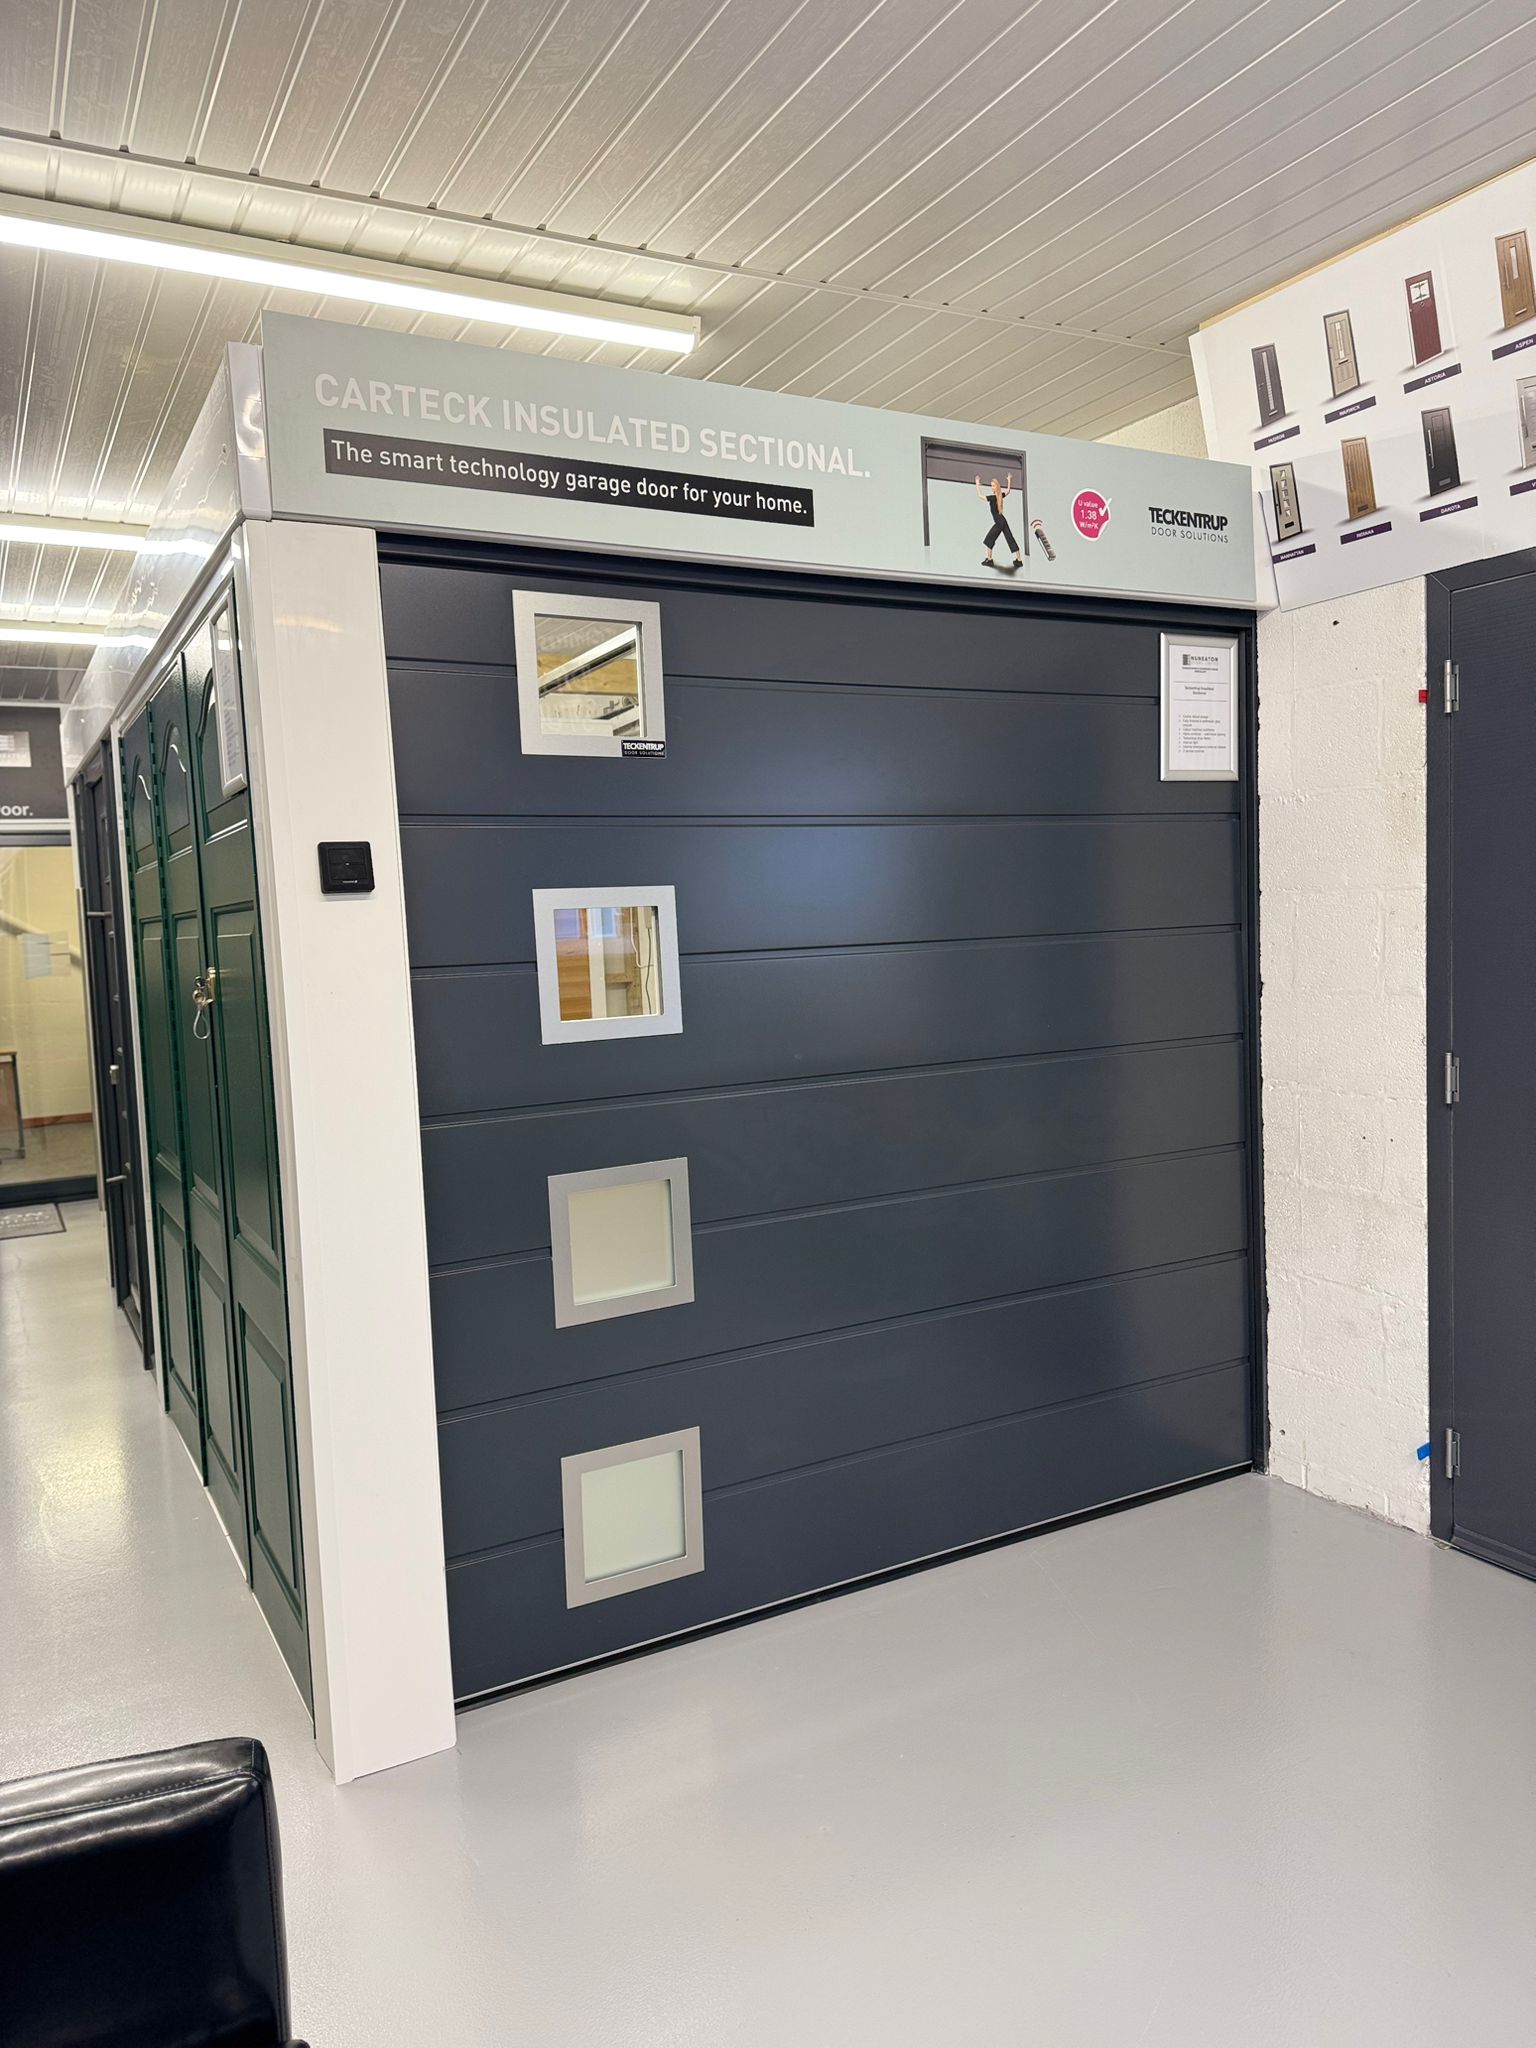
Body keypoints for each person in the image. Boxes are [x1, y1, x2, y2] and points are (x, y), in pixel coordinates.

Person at [976, 473, 1022, 568]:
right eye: (991, 486)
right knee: (1010, 538)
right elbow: (1008, 491)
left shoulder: (993, 498)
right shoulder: (1000, 496)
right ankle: (1019, 560)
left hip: (999, 522)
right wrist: (1009, 480)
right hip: (1003, 520)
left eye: (993, 486)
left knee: (989, 538)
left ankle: (989, 559)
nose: (991, 487)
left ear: (996, 487)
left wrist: (977, 485)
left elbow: (980, 496)